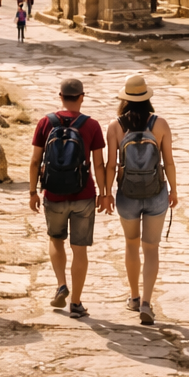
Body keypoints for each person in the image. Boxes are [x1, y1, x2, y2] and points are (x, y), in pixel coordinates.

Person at [28, 77, 110, 318]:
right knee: (80, 249)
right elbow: (99, 164)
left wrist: (33, 191)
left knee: (55, 240)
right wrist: (104, 194)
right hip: (83, 194)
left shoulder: (46, 122)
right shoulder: (91, 125)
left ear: (60, 96)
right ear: (82, 97)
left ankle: (61, 284)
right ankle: (76, 302)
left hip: (53, 194)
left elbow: (35, 161)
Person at [103, 74, 177, 326]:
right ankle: (146, 302)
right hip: (157, 193)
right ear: (147, 98)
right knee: (151, 249)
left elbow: (111, 165)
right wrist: (174, 191)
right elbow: (169, 163)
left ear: (124, 99)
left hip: (127, 195)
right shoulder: (161, 124)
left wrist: (106, 192)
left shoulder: (114, 126)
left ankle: (133, 297)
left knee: (131, 244)